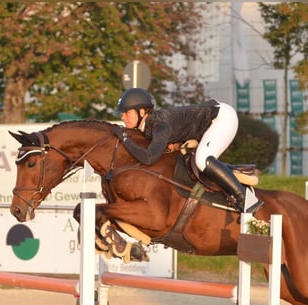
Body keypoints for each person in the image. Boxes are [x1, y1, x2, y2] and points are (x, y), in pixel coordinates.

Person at [113, 88, 263, 213]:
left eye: (127, 112)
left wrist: (125, 139)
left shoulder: (160, 125)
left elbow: (148, 158)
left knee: (202, 159)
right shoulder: (149, 125)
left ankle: (245, 199)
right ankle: (232, 172)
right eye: (122, 113)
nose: (123, 117)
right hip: (210, 119)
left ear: (141, 112)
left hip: (222, 118)